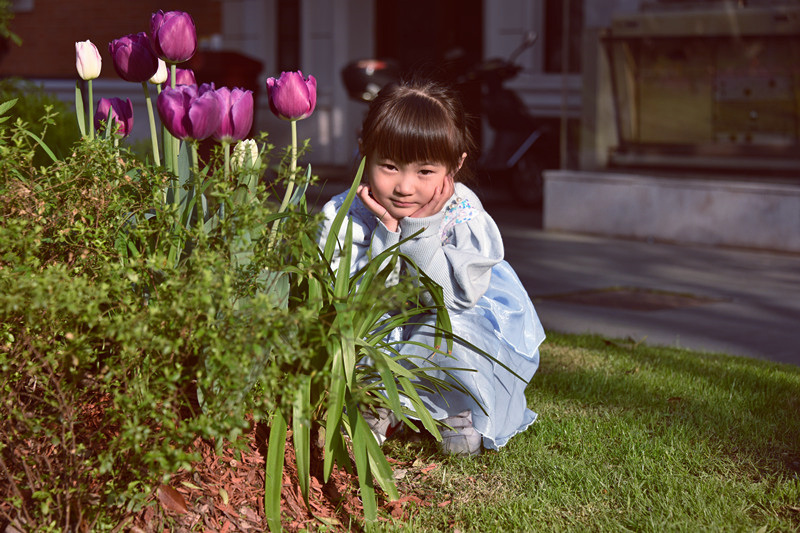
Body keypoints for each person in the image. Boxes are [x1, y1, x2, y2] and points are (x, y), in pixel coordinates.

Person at [317, 78, 545, 455]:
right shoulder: (346, 216)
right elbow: (360, 300)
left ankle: (454, 407)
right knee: (361, 328)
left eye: (424, 171)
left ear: (455, 165)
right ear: (364, 153)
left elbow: (449, 300)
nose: (405, 187)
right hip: (378, 318)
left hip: (447, 315)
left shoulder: (463, 214)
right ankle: (378, 399)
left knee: (453, 331)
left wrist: (422, 231)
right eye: (389, 166)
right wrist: (387, 234)